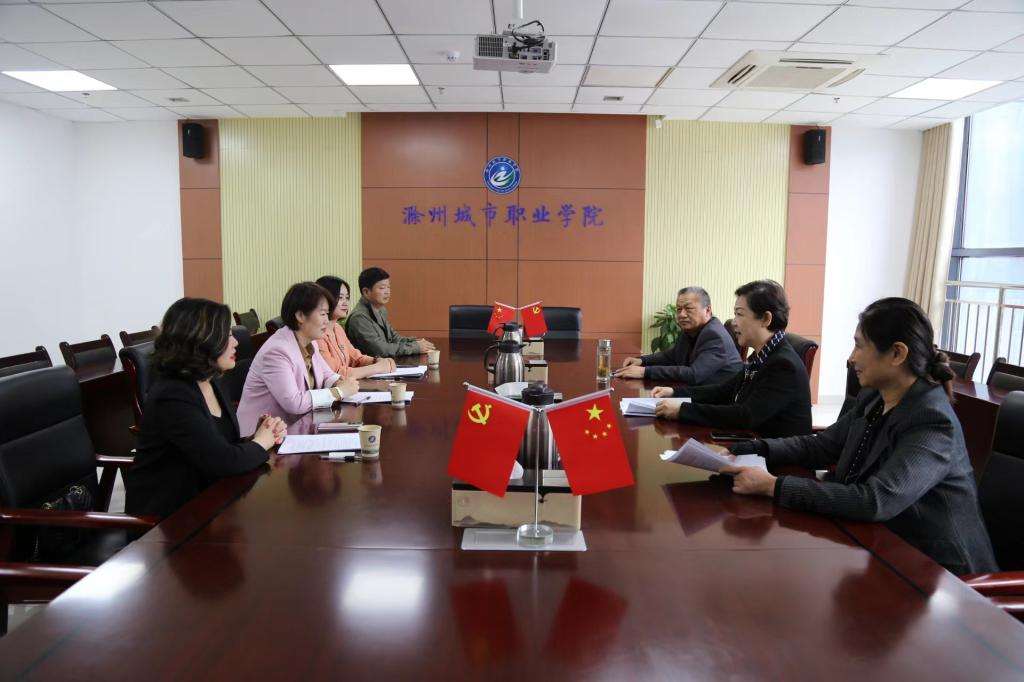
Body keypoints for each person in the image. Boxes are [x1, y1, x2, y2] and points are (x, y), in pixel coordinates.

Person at [721, 298, 997, 576]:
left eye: (859, 346)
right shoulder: (875, 398)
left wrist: (774, 486)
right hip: (878, 544)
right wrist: (753, 448)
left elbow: (876, 500)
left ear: (897, 354)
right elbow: (822, 446)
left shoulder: (932, 421)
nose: (851, 358)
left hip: (940, 575)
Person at [125, 298, 286, 518]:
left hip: (210, 501)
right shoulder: (173, 395)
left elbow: (219, 446)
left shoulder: (212, 380)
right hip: (168, 520)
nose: (235, 342)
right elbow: (222, 461)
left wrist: (257, 436)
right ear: (201, 340)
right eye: (226, 335)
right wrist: (261, 443)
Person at [652, 279, 811, 438]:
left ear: (765, 319)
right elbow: (723, 391)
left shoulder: (783, 365)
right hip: (750, 441)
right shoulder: (762, 355)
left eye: (739, 314)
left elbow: (745, 415)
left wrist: (682, 410)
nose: (734, 323)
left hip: (771, 451)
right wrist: (674, 392)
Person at [237, 282, 359, 435]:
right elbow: (293, 403)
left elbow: (326, 374)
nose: (327, 321)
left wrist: (339, 381)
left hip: (297, 428)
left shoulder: (309, 341)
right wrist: (338, 392)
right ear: (300, 316)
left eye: (327, 314)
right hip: (261, 436)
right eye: (322, 314)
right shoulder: (277, 351)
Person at [616, 286, 741, 384]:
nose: (682, 315)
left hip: (722, 401)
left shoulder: (714, 335)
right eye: (679, 309)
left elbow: (694, 374)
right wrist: (642, 360)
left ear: (707, 310)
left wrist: (645, 372)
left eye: (688, 309)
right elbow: (672, 356)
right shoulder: (691, 330)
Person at [315, 275, 397, 379]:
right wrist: (377, 368)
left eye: (347, 298)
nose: (345, 303)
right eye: (340, 298)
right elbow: (335, 374)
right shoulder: (317, 333)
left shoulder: (337, 328)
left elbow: (356, 358)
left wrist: (376, 360)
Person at [345, 267, 435, 358]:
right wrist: (415, 347)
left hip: (385, 363)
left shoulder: (381, 310)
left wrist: (416, 342)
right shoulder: (359, 318)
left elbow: (393, 338)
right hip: (370, 365)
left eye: (388, 287)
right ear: (366, 292)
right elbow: (380, 350)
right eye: (382, 288)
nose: (387, 292)